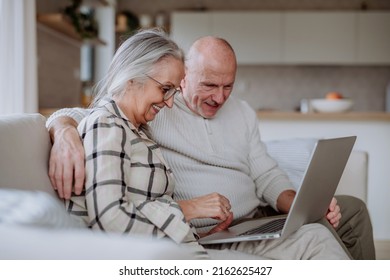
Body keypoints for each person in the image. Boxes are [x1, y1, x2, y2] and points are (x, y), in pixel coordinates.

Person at [46, 35, 363, 260]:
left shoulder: (237, 113)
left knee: (348, 213)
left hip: (249, 219)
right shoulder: (150, 111)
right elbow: (97, 115)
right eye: (210, 85)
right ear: (184, 79)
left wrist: (300, 205)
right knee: (316, 236)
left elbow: (266, 173)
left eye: (228, 86)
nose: (220, 97)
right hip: (206, 234)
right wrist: (62, 130)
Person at [61, 28, 208, 259]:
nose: (170, 104)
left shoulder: (133, 128)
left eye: (174, 92)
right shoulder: (107, 125)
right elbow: (109, 218)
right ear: (132, 78)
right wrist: (181, 221)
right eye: (165, 89)